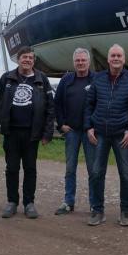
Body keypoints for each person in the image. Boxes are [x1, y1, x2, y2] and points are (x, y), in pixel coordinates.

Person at [0, 46, 55, 219]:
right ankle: (12, 202)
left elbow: (50, 107)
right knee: (11, 168)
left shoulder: (42, 79)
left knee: (30, 168)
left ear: (34, 61)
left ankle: (29, 203)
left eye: (30, 58)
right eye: (24, 57)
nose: (27, 60)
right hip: (11, 132)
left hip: (32, 134)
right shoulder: (7, 78)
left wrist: (47, 133)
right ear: (18, 59)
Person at [84, 44, 128, 227]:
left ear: (124, 59)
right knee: (96, 173)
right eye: (113, 56)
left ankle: (125, 211)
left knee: (126, 174)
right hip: (99, 133)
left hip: (122, 135)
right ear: (108, 59)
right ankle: (97, 210)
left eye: (119, 56)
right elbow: (89, 104)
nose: (116, 58)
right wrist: (88, 127)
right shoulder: (98, 78)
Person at [53, 48, 96, 215]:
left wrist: (95, 127)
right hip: (71, 131)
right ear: (73, 62)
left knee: (93, 169)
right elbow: (57, 104)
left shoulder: (96, 79)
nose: (80, 63)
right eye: (77, 60)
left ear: (89, 62)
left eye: (83, 60)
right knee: (70, 168)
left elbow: (101, 103)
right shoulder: (66, 80)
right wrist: (61, 124)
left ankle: (94, 204)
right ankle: (68, 202)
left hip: (90, 131)